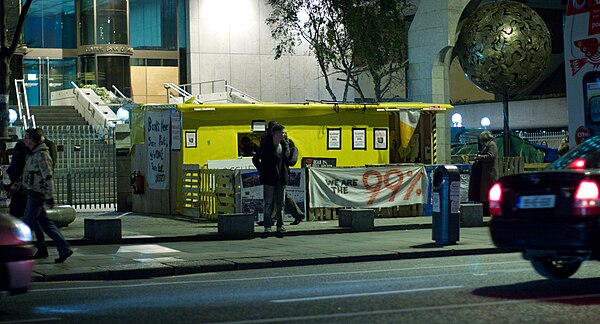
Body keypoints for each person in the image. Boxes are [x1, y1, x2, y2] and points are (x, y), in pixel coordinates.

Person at [19, 128, 73, 263]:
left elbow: (48, 176)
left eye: (26, 137)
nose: (24, 140)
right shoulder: (32, 154)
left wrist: (50, 196)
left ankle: (15, 251)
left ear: (32, 140)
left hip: (37, 193)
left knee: (26, 223)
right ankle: (64, 249)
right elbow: (27, 174)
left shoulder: (42, 155)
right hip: (32, 191)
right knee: (46, 223)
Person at [6, 141, 48, 259]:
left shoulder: (22, 159)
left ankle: (16, 246)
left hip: (22, 194)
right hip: (26, 193)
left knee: (20, 221)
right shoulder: (28, 158)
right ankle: (41, 246)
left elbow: (17, 174)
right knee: (35, 222)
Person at [252, 122, 294, 234]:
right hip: (269, 178)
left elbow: (288, 159)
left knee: (281, 204)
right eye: (282, 133)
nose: (284, 135)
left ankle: (280, 225)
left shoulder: (285, 145)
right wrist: (262, 169)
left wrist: (286, 147)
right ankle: (267, 226)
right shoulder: (266, 146)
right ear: (276, 134)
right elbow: (255, 159)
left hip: (281, 178)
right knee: (268, 203)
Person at [468, 131, 499, 215]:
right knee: (484, 194)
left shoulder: (491, 145)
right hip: (485, 172)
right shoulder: (488, 145)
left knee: (487, 193)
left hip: (489, 173)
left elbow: (491, 156)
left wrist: (479, 157)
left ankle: (487, 211)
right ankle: (485, 210)